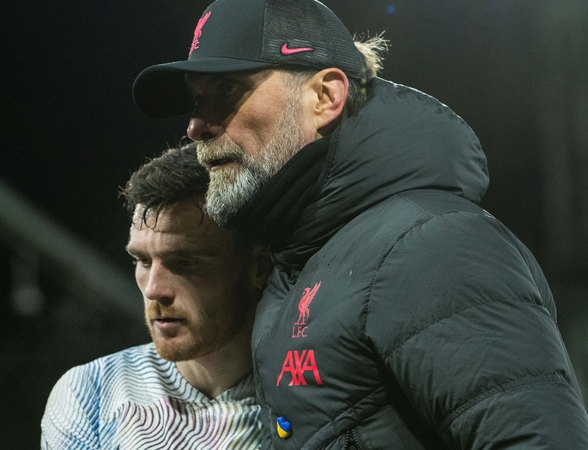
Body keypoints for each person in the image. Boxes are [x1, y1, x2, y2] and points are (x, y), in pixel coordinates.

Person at [131, 0, 588, 448]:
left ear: (326, 97)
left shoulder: (430, 243)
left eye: (227, 91)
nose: (195, 126)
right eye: (195, 99)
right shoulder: (300, 257)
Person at [40, 144, 272, 449]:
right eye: (143, 261)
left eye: (185, 263)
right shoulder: (90, 394)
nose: (153, 289)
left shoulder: (307, 395)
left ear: (259, 267)